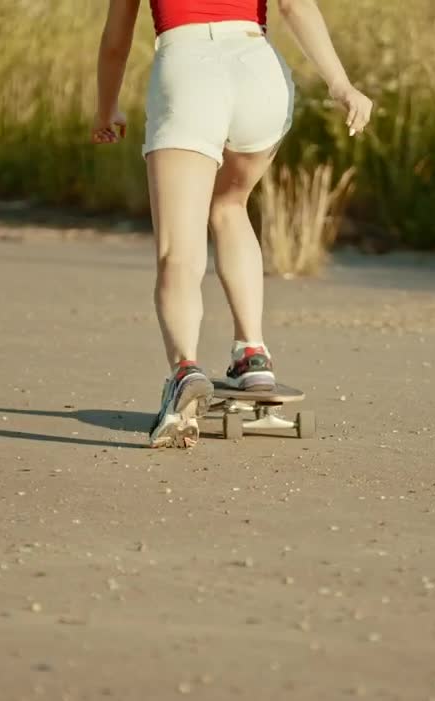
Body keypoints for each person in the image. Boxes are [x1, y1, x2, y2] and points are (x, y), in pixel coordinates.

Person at [92, 0, 372, 448]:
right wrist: (341, 85)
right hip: (259, 71)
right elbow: (294, 5)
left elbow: (116, 39)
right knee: (230, 204)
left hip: (188, 70)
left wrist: (107, 109)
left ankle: (185, 370)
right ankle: (252, 354)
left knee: (178, 252)